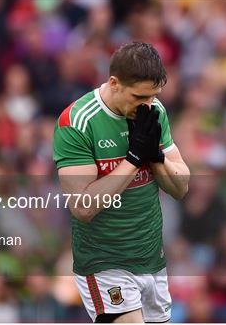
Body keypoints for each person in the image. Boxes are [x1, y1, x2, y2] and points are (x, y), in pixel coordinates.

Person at [53, 41, 190, 323]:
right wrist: (133, 159)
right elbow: (83, 208)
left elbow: (181, 187)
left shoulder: (155, 111)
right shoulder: (78, 122)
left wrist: (156, 158)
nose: (147, 106)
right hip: (104, 262)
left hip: (151, 259)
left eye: (154, 96)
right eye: (140, 97)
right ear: (114, 83)